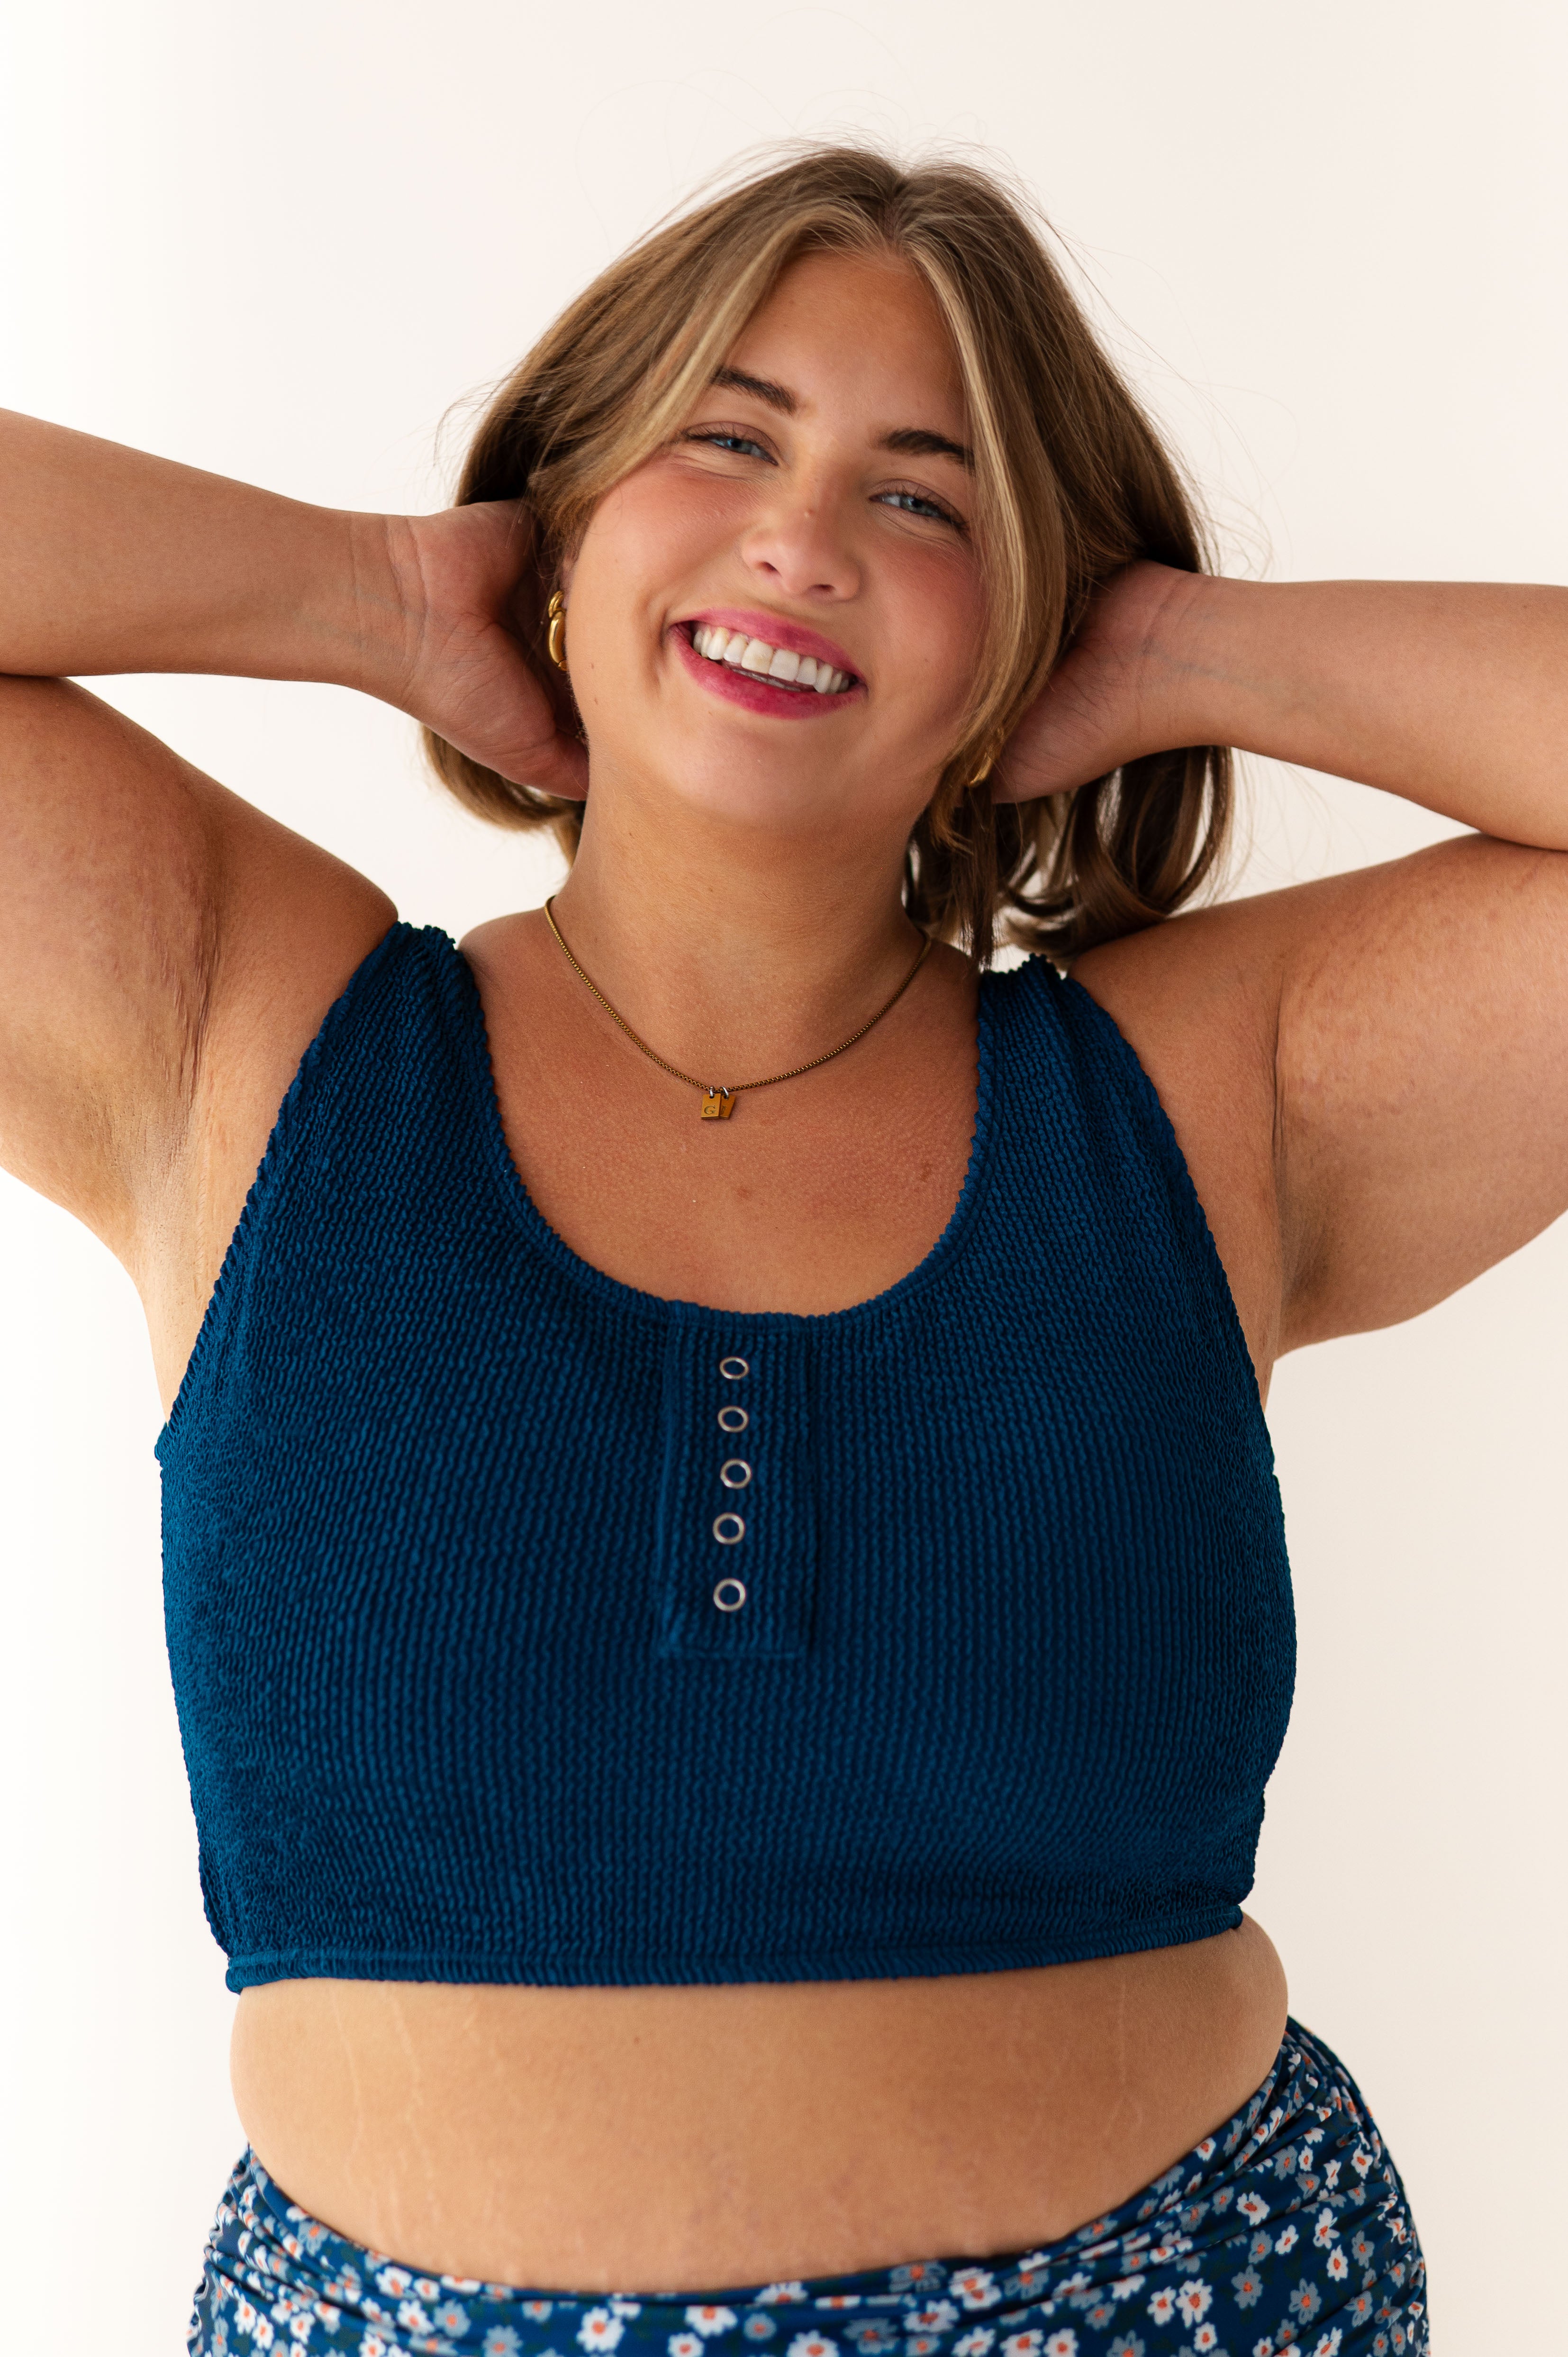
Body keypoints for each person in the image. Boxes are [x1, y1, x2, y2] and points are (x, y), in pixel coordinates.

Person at [6, 141, 1562, 2357]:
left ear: (1017, 630)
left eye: (928, 500)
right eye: (726, 440)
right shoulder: (241, 1033)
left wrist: (1172, 647)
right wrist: (373, 594)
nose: (805, 539)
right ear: (566, 519)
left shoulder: (1214, 1097)